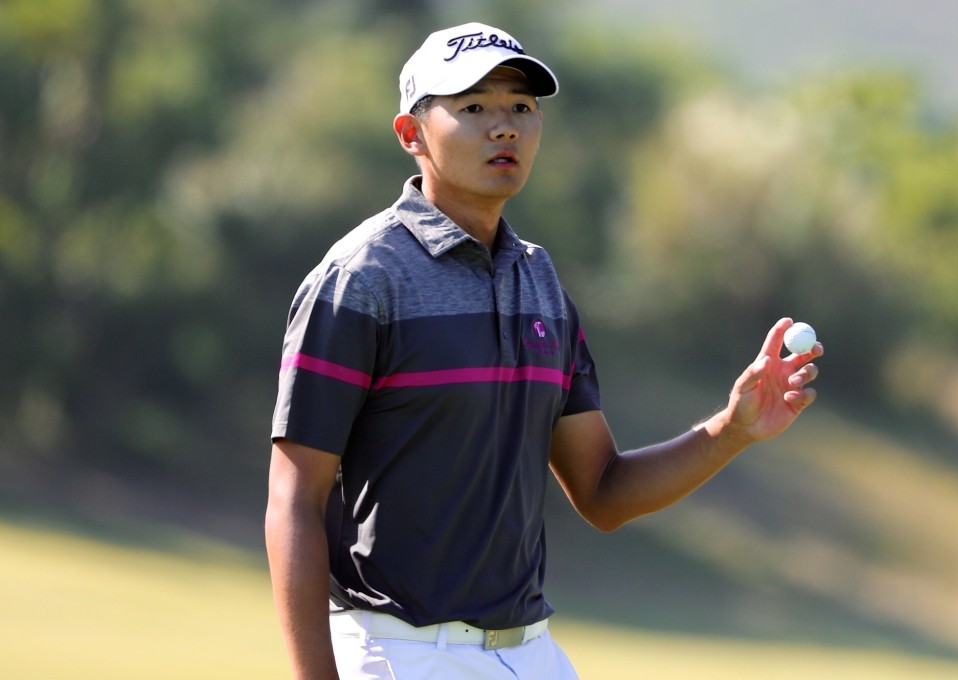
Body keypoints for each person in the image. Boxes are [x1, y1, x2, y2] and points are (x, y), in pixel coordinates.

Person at [265, 21, 822, 680]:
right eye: (473, 108)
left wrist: (731, 431)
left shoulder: (541, 284)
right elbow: (294, 500)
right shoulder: (361, 279)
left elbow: (603, 491)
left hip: (530, 653)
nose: (505, 127)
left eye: (521, 108)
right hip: (403, 653)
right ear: (411, 135)